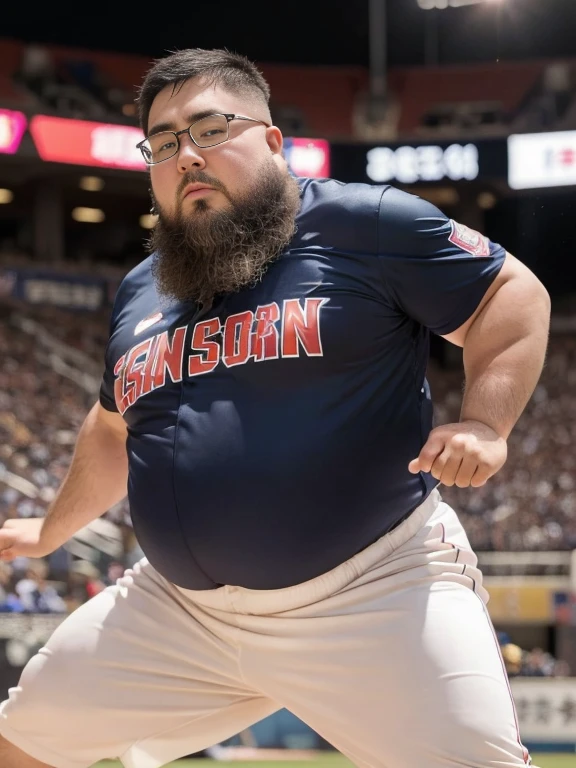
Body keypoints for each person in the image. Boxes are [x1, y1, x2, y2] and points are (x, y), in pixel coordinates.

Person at [0, 48, 550, 768]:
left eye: (208, 128)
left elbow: (511, 294)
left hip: (375, 594)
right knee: (23, 741)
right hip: (178, 610)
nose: (185, 155)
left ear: (270, 140)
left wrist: (485, 422)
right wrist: (49, 528)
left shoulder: (364, 223)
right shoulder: (144, 287)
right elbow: (112, 429)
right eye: (162, 142)